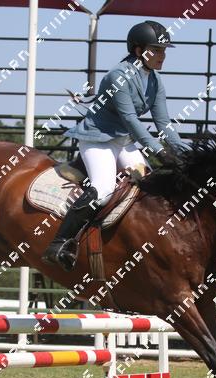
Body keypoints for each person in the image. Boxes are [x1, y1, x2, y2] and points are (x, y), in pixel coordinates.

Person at [42, 20, 189, 271]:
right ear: (138, 50)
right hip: (98, 140)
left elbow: (164, 123)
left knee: (147, 185)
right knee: (103, 190)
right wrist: (158, 150)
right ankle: (59, 243)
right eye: (157, 50)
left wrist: (183, 152)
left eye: (164, 50)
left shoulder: (155, 81)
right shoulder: (118, 76)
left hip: (123, 142)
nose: (163, 55)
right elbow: (130, 119)